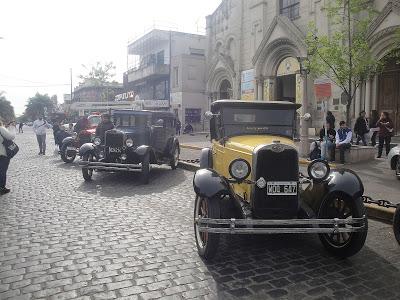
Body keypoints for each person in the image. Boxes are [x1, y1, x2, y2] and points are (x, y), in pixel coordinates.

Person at [0, 118, 15, 195]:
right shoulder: (1, 128)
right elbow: (11, 136)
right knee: (2, 171)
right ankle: (2, 188)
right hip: (2, 154)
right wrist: (12, 128)